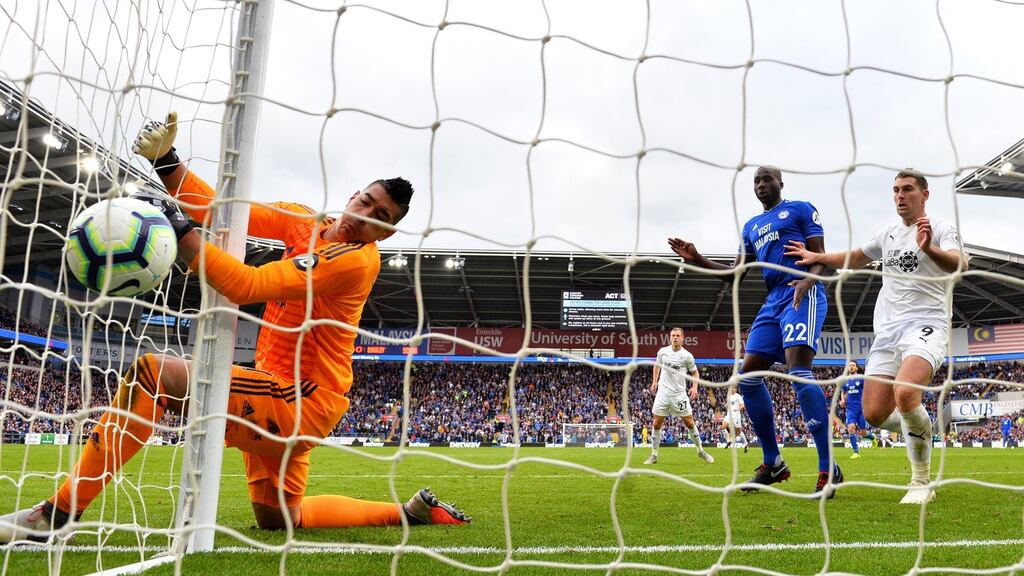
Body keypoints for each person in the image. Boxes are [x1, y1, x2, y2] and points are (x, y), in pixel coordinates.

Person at [0, 113, 467, 544]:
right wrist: (167, 163)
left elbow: (247, 284)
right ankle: (408, 514)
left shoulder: (353, 263)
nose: (363, 215)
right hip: (284, 391)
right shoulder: (306, 222)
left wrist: (182, 235)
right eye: (365, 201)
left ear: (384, 234)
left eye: (378, 218)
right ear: (352, 195)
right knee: (279, 519)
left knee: (154, 373)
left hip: (300, 398)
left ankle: (57, 514)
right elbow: (223, 210)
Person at [785, 169, 966, 504]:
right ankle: (922, 428)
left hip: (927, 325)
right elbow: (856, 257)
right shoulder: (888, 233)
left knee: (906, 393)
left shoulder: (939, 228)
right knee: (873, 414)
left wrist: (929, 250)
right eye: (895, 190)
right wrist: (818, 258)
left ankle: (921, 481)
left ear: (924, 194)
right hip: (887, 333)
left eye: (908, 189)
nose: (900, 195)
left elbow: (959, 265)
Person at [668, 166, 842, 497]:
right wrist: (696, 257)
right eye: (756, 181)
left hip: (801, 291)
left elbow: (820, 255)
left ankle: (827, 466)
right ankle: (773, 462)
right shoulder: (751, 227)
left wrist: (809, 280)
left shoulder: (801, 209)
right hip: (773, 300)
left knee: (799, 370)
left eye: (767, 179)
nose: (761, 185)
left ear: (780, 183)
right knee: (746, 377)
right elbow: (734, 275)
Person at [644, 327, 715, 465]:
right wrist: (654, 382)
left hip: (679, 394)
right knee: (657, 423)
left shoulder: (687, 355)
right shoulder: (662, 352)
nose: (675, 338)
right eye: (673, 335)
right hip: (663, 393)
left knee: (689, 422)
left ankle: (701, 451)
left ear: (682, 338)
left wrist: (694, 387)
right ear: (670, 337)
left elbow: (695, 373)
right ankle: (653, 455)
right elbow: (657, 366)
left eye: (677, 335)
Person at [841, 360, 867, 459]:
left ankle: (872, 438)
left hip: (861, 408)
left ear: (856, 368)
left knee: (863, 433)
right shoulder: (845, 380)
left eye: (853, 365)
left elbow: (867, 390)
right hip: (851, 409)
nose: (851, 367)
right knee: (851, 428)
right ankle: (856, 452)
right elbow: (843, 392)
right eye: (850, 365)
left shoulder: (861, 379)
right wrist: (843, 400)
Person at [721, 384, 749, 453]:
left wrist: (737, 408)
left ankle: (746, 444)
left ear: (735, 389)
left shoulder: (738, 396)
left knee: (738, 431)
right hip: (729, 415)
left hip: (736, 416)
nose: (732, 389)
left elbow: (742, 405)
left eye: (733, 388)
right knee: (723, 427)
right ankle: (728, 440)